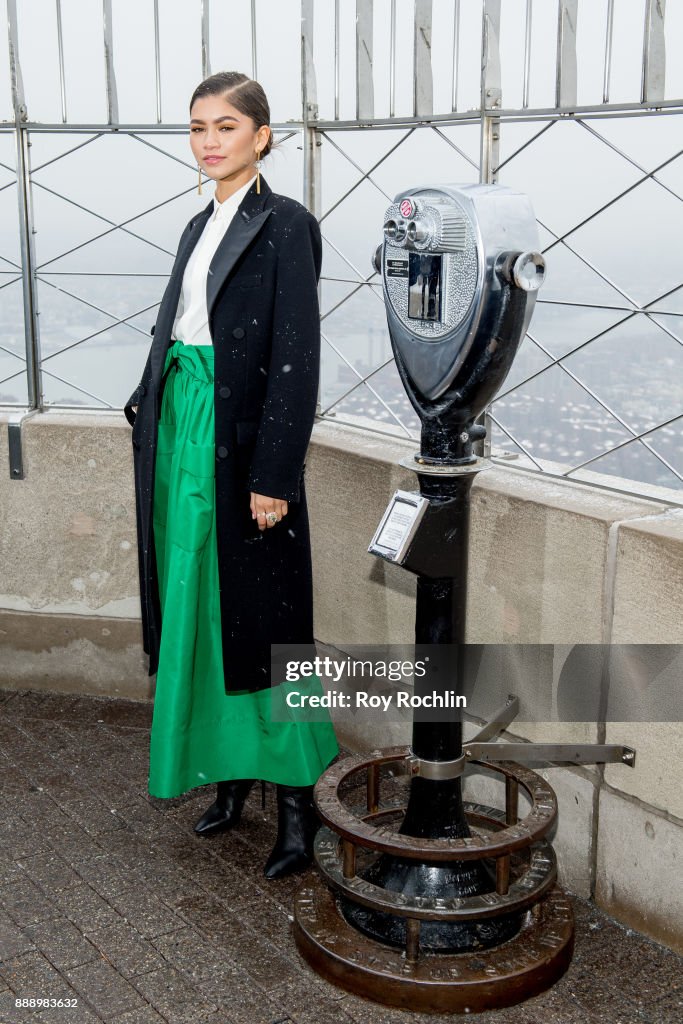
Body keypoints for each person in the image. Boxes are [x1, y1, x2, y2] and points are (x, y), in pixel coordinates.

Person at [123, 71, 339, 880]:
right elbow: (176, 327)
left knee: (264, 625)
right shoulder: (195, 223)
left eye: (224, 125)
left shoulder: (285, 223)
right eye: (196, 128)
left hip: (239, 446)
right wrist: (150, 401)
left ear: (262, 135)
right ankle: (231, 780)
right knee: (200, 609)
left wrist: (274, 474)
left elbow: (295, 356)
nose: (208, 141)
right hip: (182, 433)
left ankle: (297, 806)